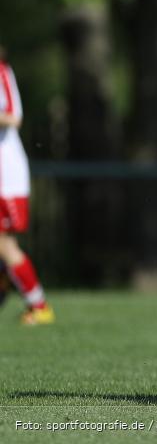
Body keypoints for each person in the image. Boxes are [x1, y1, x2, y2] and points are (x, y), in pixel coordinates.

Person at [0, 46, 54, 325]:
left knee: (5, 245)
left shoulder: (1, 72)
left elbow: (12, 116)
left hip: (5, 177)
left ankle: (39, 306)